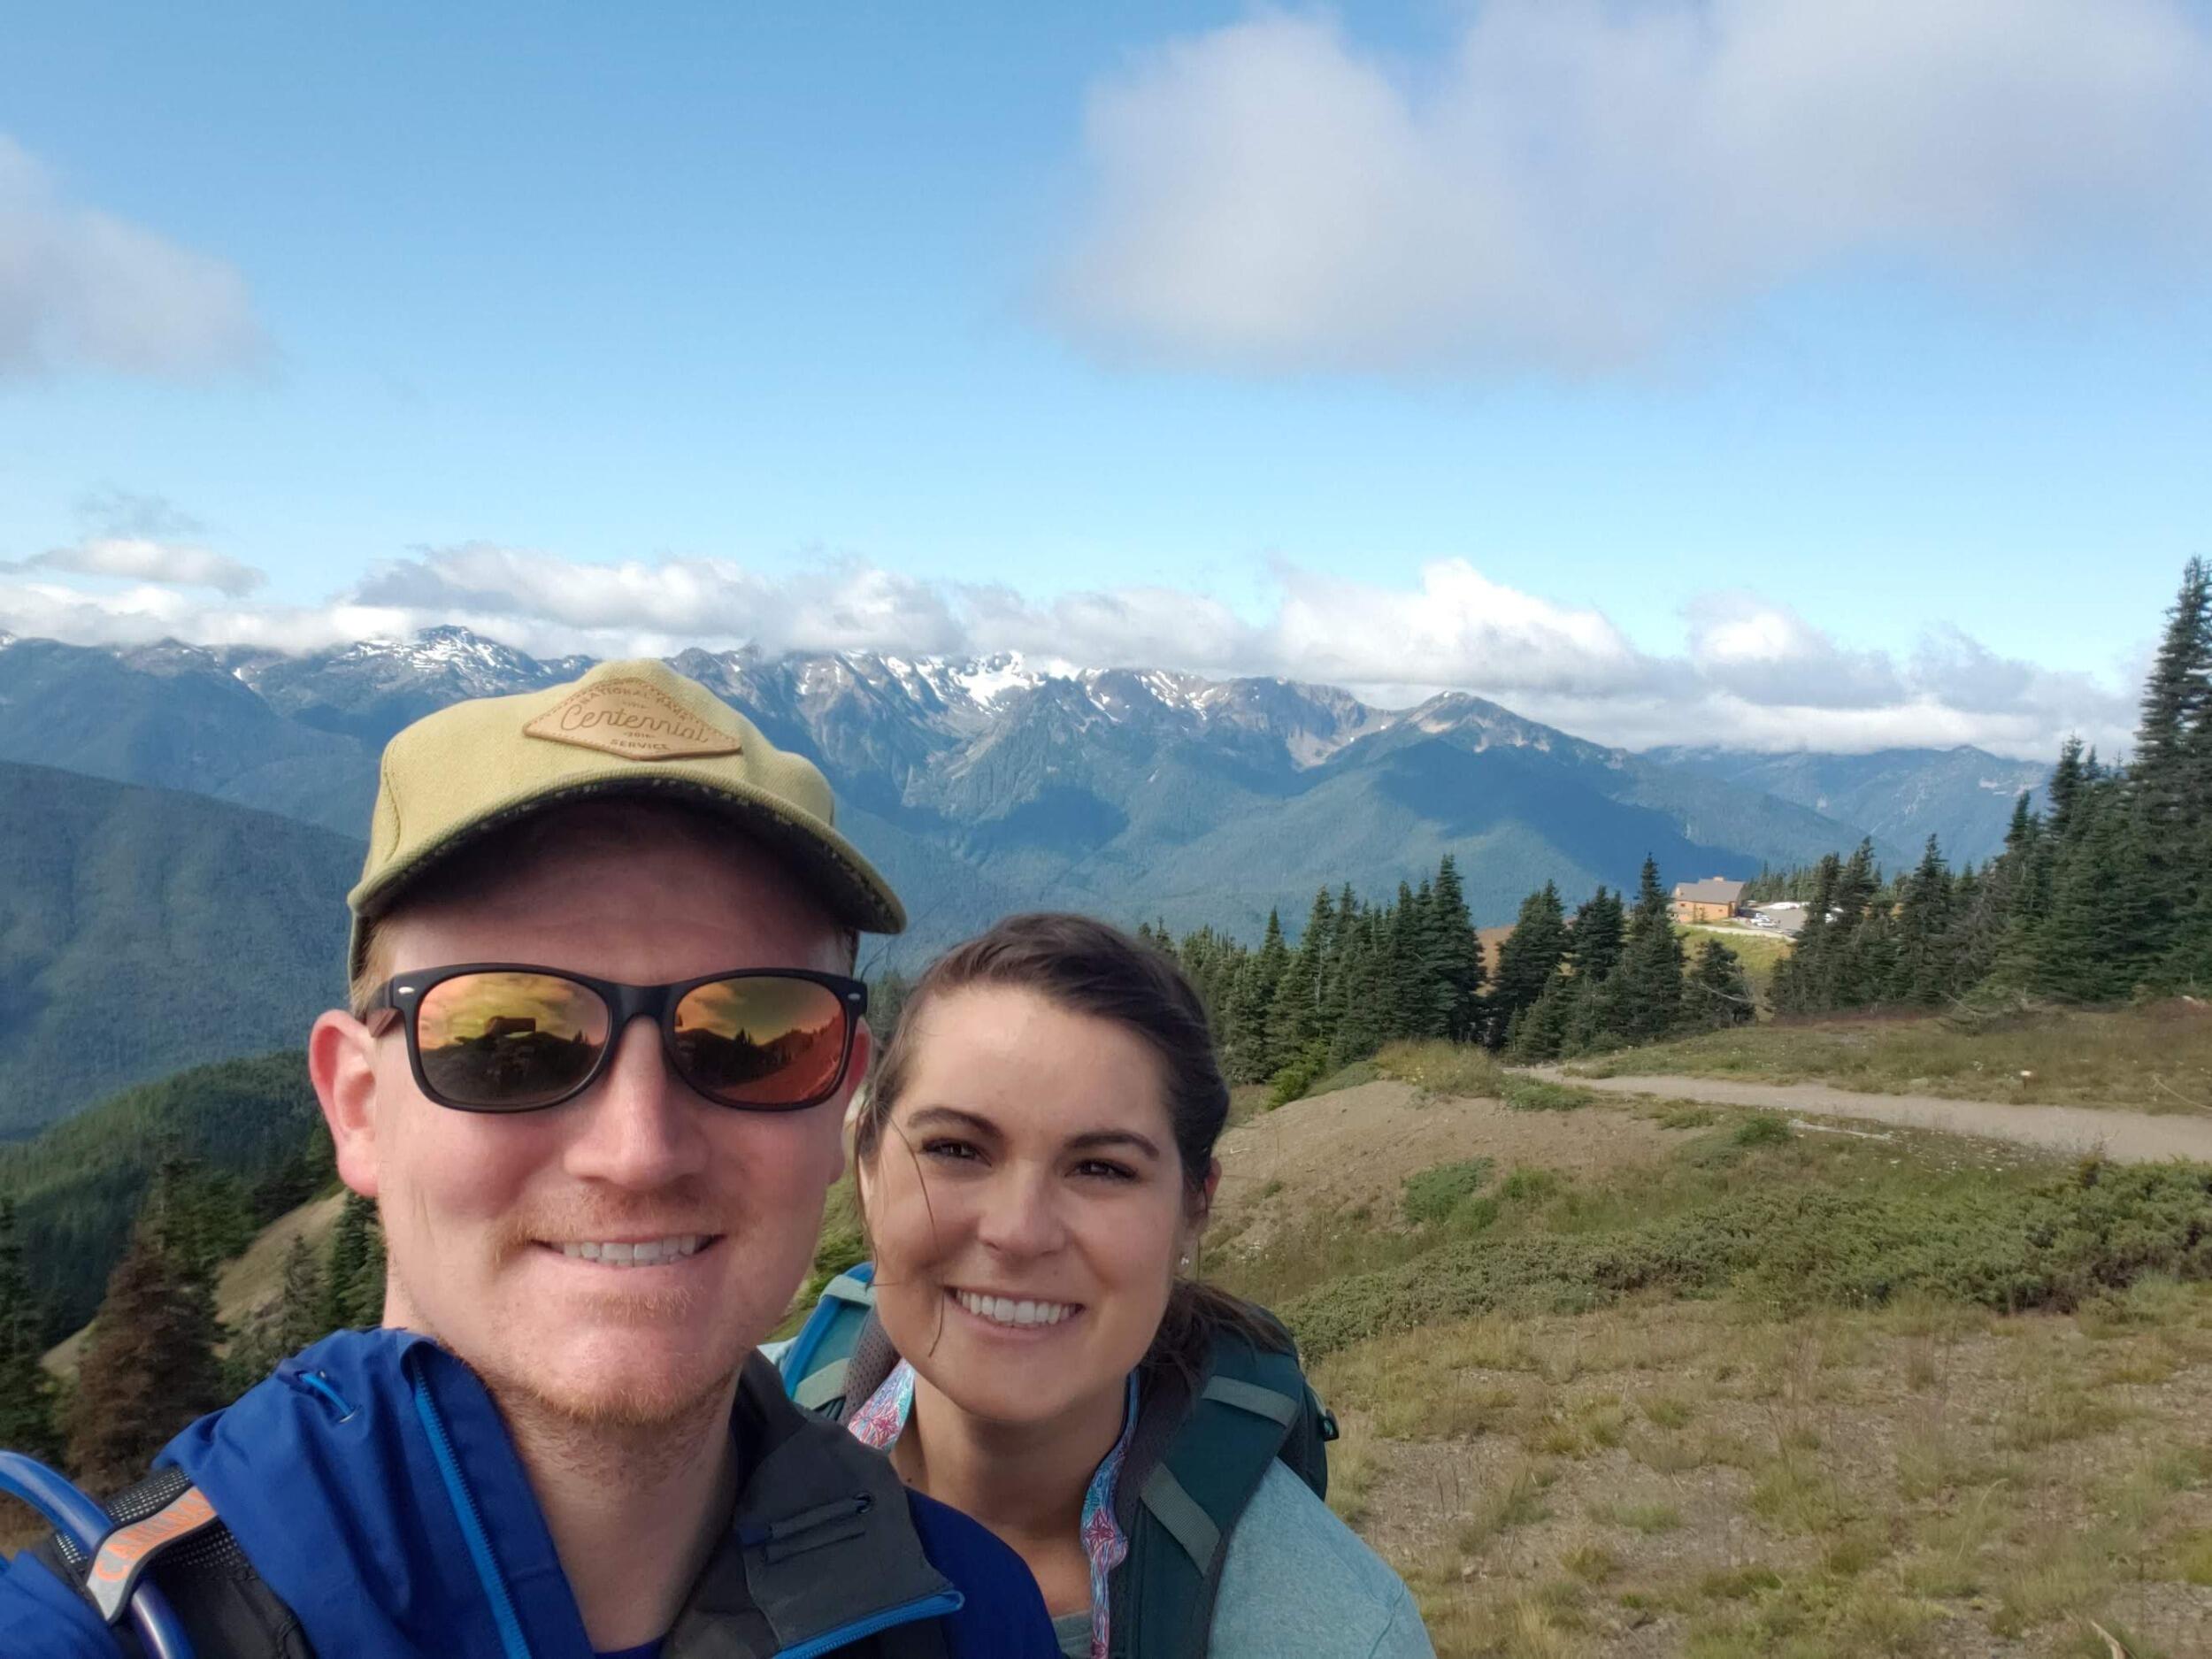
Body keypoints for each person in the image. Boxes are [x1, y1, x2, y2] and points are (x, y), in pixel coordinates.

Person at [0, 659, 1056, 1659]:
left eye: (757, 1037)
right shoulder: (109, 1631)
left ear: (840, 1101)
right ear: (357, 1106)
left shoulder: (970, 1613)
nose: (638, 1151)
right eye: (511, 1040)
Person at [780, 914, 1432, 1659]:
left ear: (1194, 1206)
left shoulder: (1335, 1633)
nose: (1020, 1231)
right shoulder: (698, 1454)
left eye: (1102, 1168)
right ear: (866, 1166)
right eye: (956, 1148)